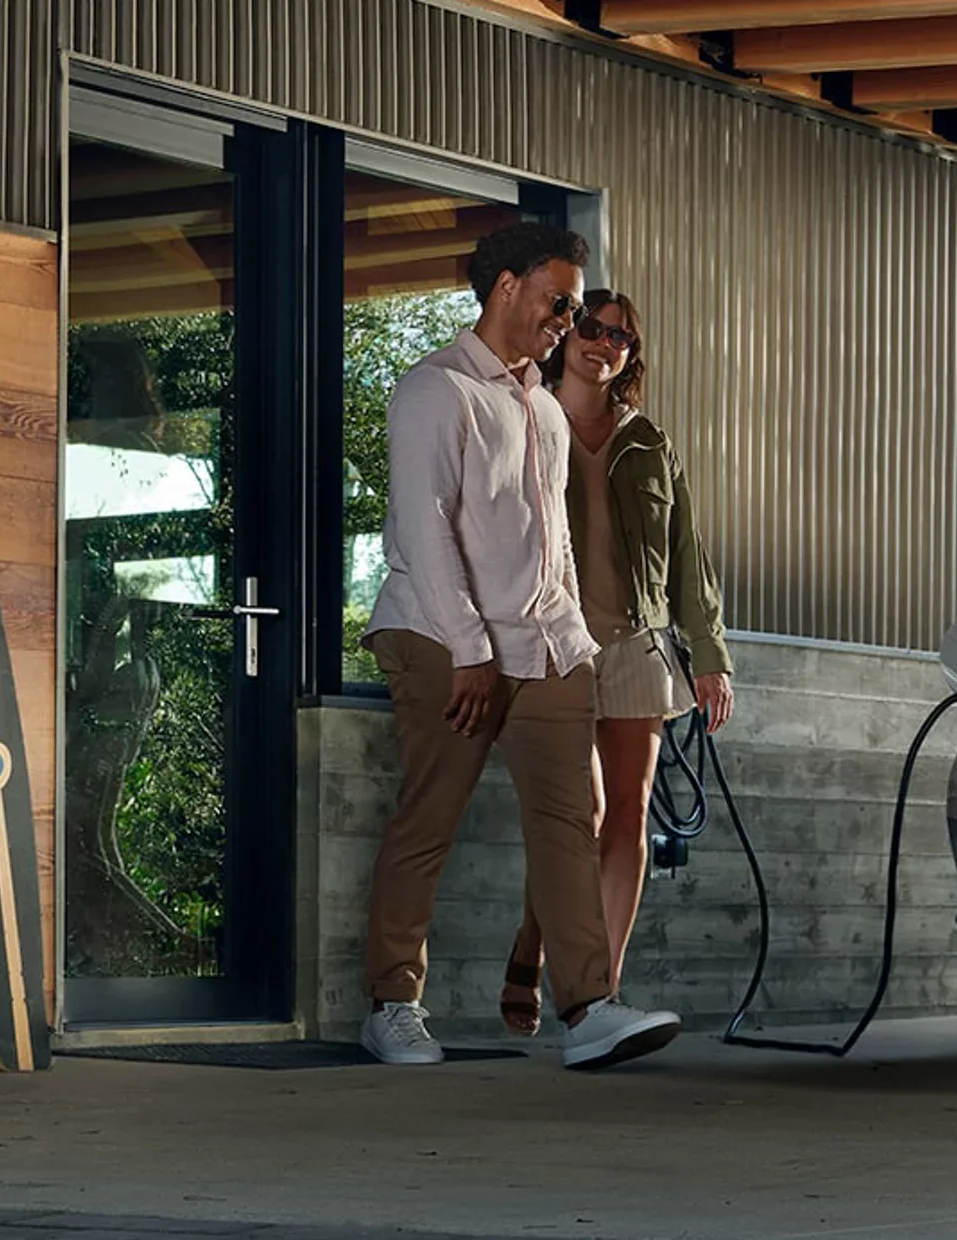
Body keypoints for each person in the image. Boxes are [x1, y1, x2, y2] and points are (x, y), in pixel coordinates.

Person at [358, 224, 685, 1071]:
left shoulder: (539, 405)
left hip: (544, 647)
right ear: (506, 287)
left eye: (575, 304)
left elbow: (554, 542)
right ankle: (393, 1003)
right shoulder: (435, 390)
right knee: (431, 818)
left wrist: (572, 638)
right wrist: (470, 649)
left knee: (571, 824)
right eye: (560, 299)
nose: (568, 317)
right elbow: (427, 529)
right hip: (442, 635)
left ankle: (588, 1009)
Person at [498, 289, 734, 1038]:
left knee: (627, 814)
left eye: (621, 339)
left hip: (638, 641)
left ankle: (601, 991)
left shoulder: (649, 443)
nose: (604, 345)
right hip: (554, 643)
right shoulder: (529, 420)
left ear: (632, 356)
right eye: (593, 330)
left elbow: (690, 560)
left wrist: (711, 656)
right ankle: (535, 952)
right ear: (567, 337)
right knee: (579, 814)